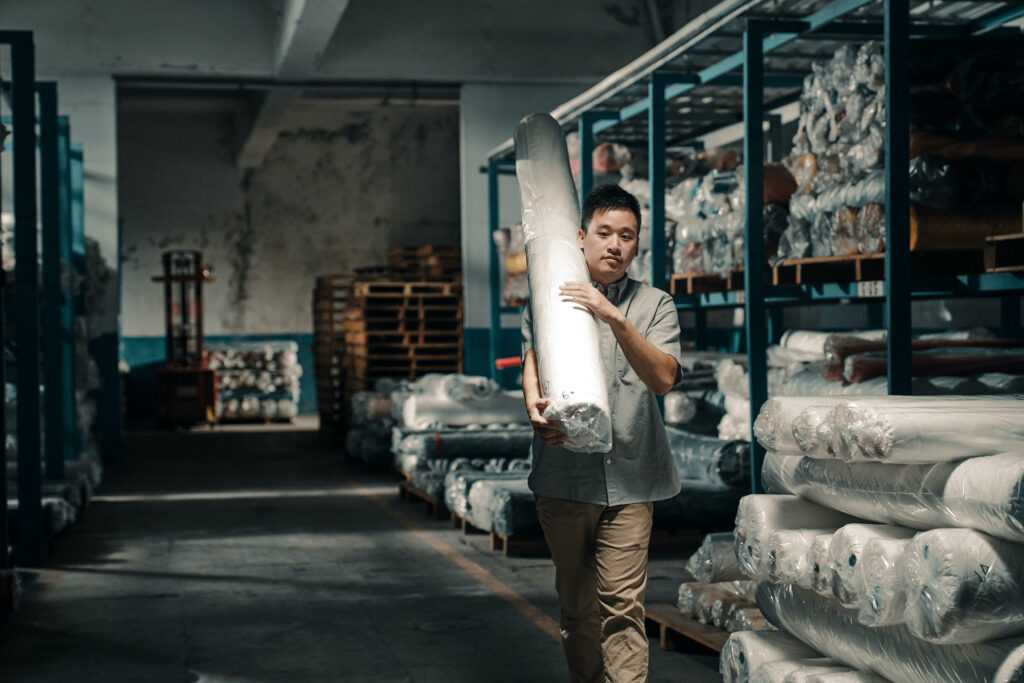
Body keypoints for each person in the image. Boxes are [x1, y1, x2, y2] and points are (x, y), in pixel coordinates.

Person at [520, 183, 683, 683]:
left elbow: (662, 378)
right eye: (605, 232)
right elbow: (533, 359)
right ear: (581, 237)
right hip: (565, 477)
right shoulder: (551, 299)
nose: (615, 245)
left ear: (638, 244)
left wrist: (613, 316)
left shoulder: (655, 304)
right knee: (577, 610)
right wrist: (534, 408)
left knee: (623, 609)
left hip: (632, 479)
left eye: (627, 236)